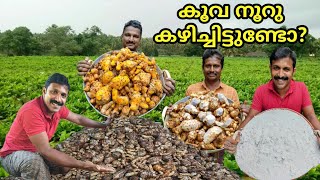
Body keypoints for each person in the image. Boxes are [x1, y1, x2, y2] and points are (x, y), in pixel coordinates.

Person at [0, 73, 115, 179]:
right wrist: (85, 165)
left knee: (65, 166)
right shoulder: (31, 111)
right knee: (34, 163)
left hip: (35, 151)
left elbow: (78, 118)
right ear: (44, 91)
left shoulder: (57, 108)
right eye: (54, 92)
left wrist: (103, 125)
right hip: (12, 155)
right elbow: (45, 150)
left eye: (63, 95)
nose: (58, 99)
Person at [224, 47, 320, 154]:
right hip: (267, 145)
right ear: (270, 68)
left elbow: (311, 115)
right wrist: (237, 135)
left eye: (286, 69)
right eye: (276, 68)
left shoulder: (301, 88)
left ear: (293, 71)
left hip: (294, 144)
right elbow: (251, 117)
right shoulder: (261, 91)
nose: (280, 74)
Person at [76, 20, 176, 96]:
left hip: (138, 120)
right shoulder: (109, 58)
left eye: (135, 36)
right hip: (110, 119)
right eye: (127, 35)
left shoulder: (147, 63)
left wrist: (165, 85)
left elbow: (157, 84)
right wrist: (86, 68)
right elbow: (94, 73)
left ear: (140, 40)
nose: (131, 39)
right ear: (122, 37)